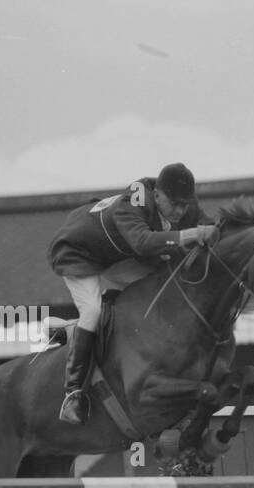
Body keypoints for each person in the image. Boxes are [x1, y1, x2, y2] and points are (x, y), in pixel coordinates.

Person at [47, 163, 218, 425]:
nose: (181, 211)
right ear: (158, 194)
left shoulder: (182, 205)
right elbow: (142, 242)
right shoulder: (133, 201)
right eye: (175, 204)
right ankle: (73, 392)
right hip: (79, 251)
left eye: (185, 204)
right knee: (92, 310)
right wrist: (192, 233)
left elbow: (214, 231)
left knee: (159, 286)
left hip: (118, 256)